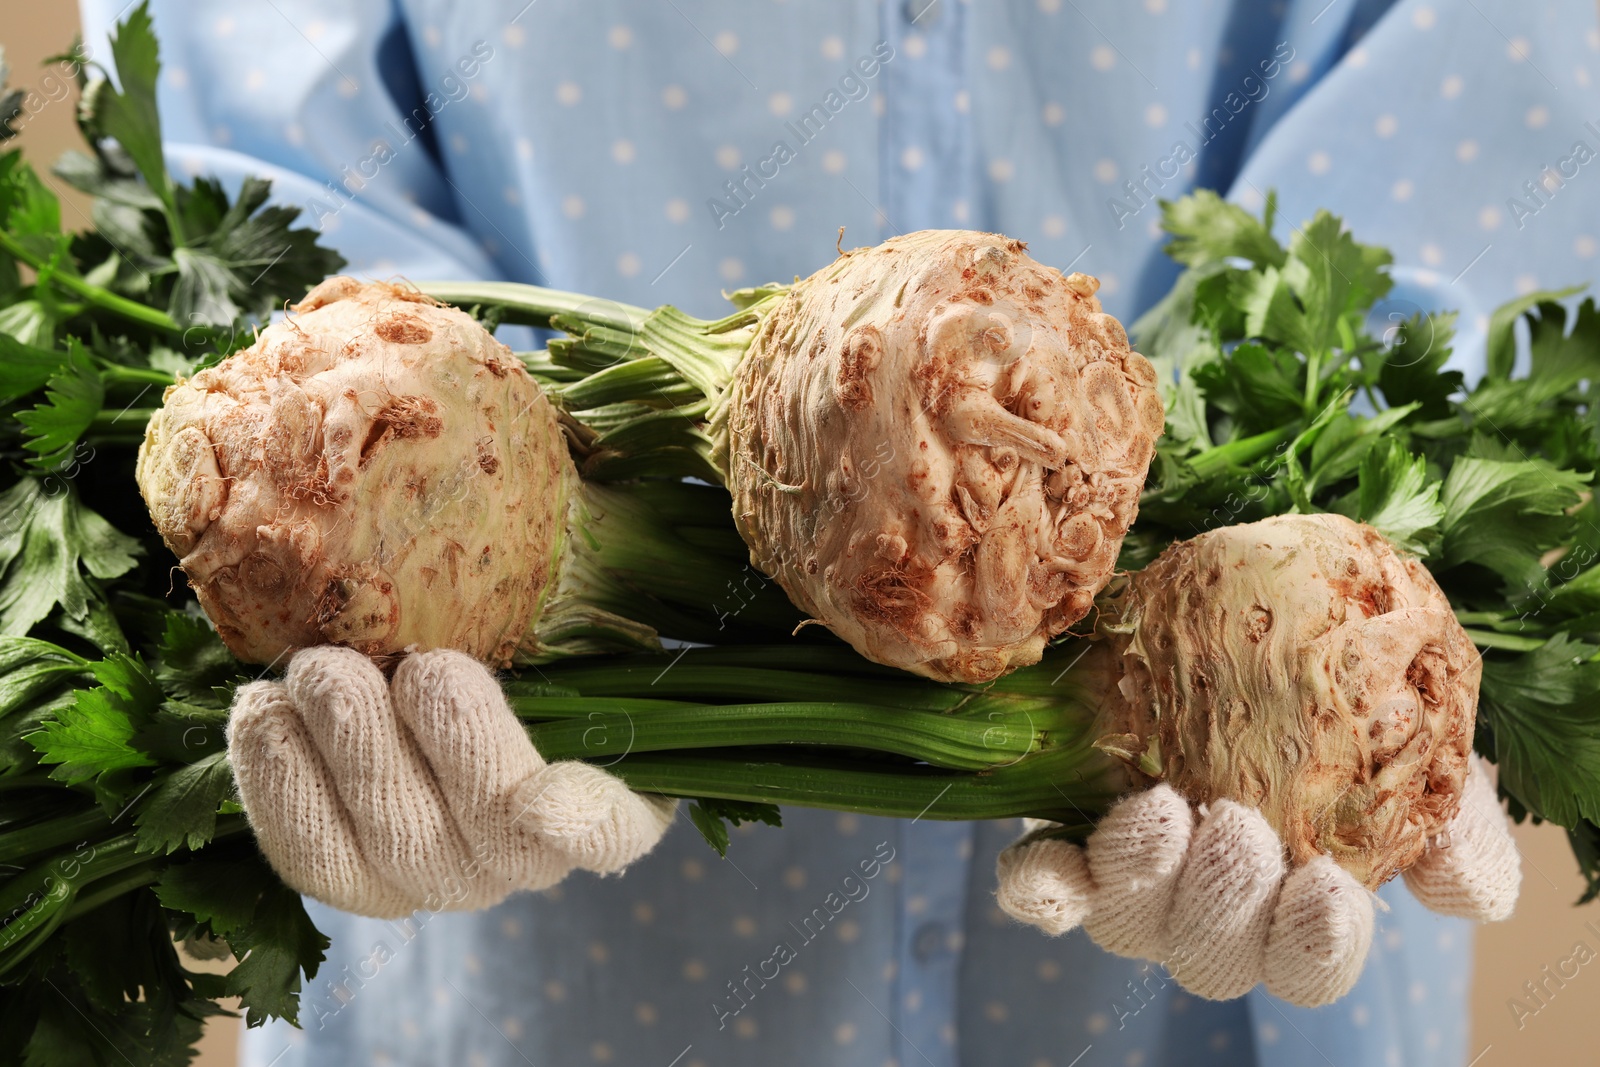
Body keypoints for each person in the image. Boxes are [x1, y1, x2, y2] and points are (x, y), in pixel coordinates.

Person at [76, 1, 1599, 1065]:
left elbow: (1488, 96)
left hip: (1194, 940)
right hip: (551, 963)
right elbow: (246, 157)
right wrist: (434, 544)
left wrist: (1313, 655)